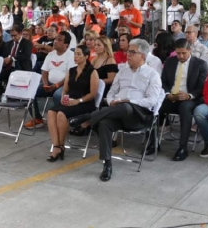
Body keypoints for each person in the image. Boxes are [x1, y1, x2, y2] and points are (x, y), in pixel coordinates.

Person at [86, 39, 162, 181]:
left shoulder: (153, 75)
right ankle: (107, 165)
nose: (128, 54)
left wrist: (130, 101)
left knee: (126, 106)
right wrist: (111, 101)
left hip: (139, 116)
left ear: (142, 56)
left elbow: (152, 101)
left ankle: (88, 117)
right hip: (118, 114)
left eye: (132, 52)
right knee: (104, 123)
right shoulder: (122, 72)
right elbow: (111, 93)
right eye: (128, 51)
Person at [156, 39, 208, 161]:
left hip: (190, 98)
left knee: (185, 108)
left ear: (190, 50)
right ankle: (153, 142)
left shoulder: (200, 64)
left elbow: (201, 87)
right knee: (154, 106)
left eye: (183, 53)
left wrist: (188, 95)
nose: (181, 56)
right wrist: (168, 94)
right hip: (171, 97)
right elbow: (163, 82)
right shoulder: (170, 62)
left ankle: (182, 147)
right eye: (178, 53)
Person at [46, 44, 99, 162]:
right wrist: (64, 98)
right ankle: (56, 146)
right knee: (51, 112)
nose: (76, 56)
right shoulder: (71, 70)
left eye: (79, 54)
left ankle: (61, 145)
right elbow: (65, 89)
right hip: (71, 99)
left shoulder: (92, 72)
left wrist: (78, 101)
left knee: (61, 114)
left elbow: (92, 94)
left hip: (85, 101)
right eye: (75, 54)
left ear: (86, 56)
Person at [25, 31, 75, 129]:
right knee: (31, 91)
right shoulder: (51, 54)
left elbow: (71, 76)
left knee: (57, 95)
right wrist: (45, 84)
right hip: (50, 84)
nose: (55, 41)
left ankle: (58, 121)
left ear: (66, 45)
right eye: (56, 39)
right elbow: (44, 71)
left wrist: (57, 85)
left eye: (59, 40)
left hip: (65, 86)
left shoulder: (71, 56)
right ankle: (37, 119)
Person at [70, 36, 119, 136]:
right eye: (95, 45)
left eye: (98, 45)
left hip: (105, 89)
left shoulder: (110, 60)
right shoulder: (94, 60)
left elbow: (111, 79)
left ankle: (86, 123)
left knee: (90, 97)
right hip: (94, 87)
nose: (95, 47)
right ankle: (82, 121)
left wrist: (97, 82)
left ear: (105, 46)